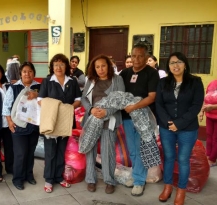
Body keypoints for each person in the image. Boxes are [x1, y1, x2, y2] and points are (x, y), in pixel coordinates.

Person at [156, 52, 204, 205]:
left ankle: (181, 190)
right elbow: (159, 104)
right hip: (166, 127)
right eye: (172, 63)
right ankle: (168, 187)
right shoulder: (163, 82)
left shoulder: (195, 82)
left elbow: (196, 105)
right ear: (168, 66)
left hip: (188, 128)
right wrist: (168, 122)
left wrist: (180, 123)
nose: (175, 65)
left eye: (179, 62)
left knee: (183, 159)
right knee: (169, 157)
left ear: (185, 64)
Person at [37, 53, 82, 193]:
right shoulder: (47, 81)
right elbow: (40, 100)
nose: (59, 67)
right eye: (56, 64)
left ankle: (58, 177)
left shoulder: (72, 81)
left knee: (61, 151)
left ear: (66, 66)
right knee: (50, 152)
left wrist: (68, 108)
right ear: (52, 67)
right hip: (51, 120)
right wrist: (57, 106)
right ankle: (49, 179)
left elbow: (78, 100)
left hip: (66, 120)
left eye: (62, 64)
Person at [119, 44, 159, 196]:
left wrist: (134, 107)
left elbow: (152, 97)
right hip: (127, 117)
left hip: (144, 117)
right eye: (134, 55)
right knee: (133, 150)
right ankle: (136, 175)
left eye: (140, 56)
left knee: (140, 148)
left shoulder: (151, 73)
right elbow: (118, 92)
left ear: (147, 57)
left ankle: (139, 181)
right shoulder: (125, 73)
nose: (136, 59)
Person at [81, 55, 125, 194]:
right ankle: (91, 180)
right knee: (90, 150)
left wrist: (106, 112)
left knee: (108, 152)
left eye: (103, 66)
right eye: (97, 67)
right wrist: (91, 109)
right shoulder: (91, 80)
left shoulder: (117, 79)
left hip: (109, 121)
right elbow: (84, 98)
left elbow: (120, 100)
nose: (101, 69)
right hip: (92, 119)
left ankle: (109, 181)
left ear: (109, 66)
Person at [2, 62, 41, 190]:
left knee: (30, 152)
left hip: (34, 125)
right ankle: (18, 178)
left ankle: (29, 175)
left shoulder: (40, 87)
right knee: (20, 154)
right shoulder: (14, 88)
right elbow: (6, 107)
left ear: (33, 73)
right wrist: (10, 122)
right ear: (20, 74)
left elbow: (45, 103)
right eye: (24, 71)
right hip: (18, 126)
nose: (27, 74)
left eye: (30, 71)